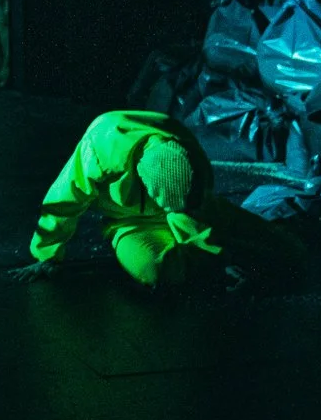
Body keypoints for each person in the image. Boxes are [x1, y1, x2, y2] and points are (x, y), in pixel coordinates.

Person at [20, 110, 304, 292]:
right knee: (152, 270)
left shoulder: (186, 154)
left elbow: (189, 209)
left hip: (193, 208)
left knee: (287, 249)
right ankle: (214, 251)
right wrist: (47, 255)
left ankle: (235, 242)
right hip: (131, 221)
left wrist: (211, 258)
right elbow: (62, 200)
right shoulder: (99, 149)